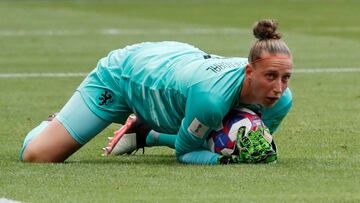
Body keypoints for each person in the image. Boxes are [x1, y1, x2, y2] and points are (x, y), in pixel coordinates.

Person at [20, 19, 293, 165]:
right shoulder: (211, 100)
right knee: (37, 156)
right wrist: (223, 162)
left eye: (285, 78)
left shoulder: (280, 102)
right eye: (270, 76)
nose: (278, 88)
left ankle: (143, 131)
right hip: (126, 75)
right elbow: (186, 153)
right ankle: (56, 122)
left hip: (175, 63)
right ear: (249, 72)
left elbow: (252, 140)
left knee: (204, 130)